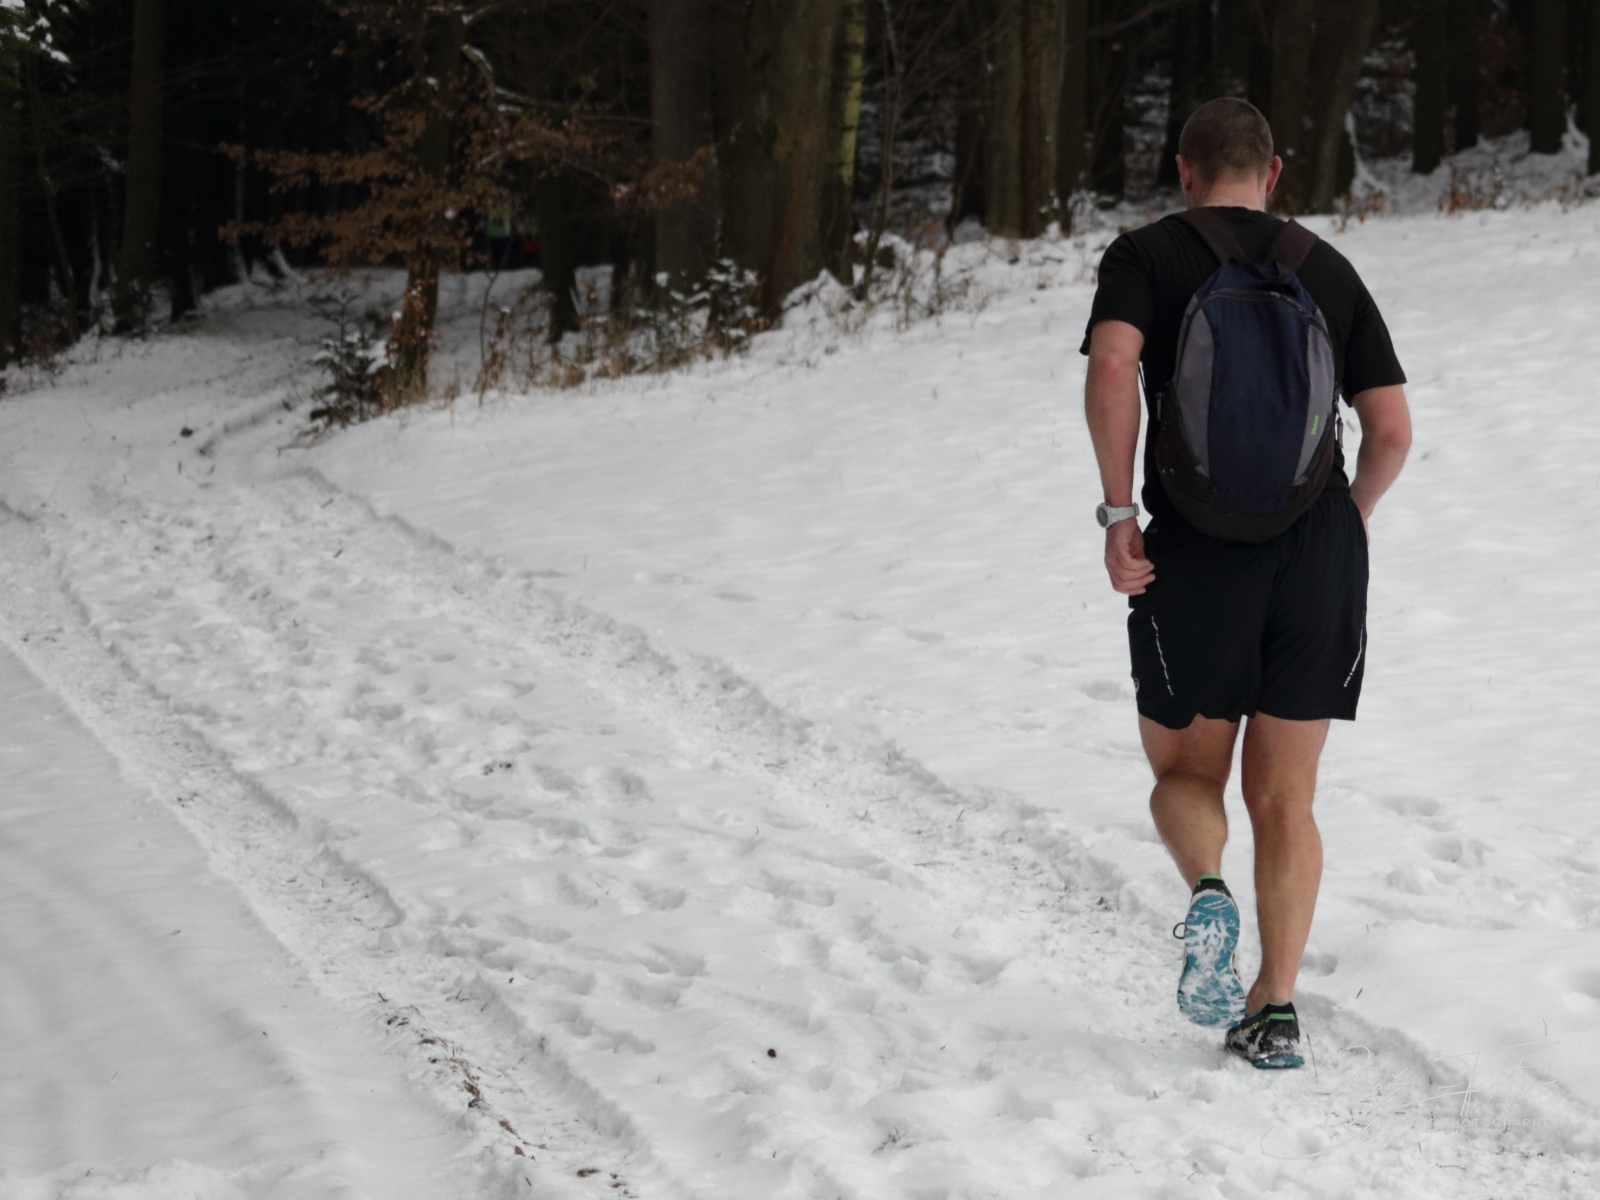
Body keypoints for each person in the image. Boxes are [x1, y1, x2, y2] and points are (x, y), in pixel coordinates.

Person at [1080, 97, 1412, 1069]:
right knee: (1286, 798)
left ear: (1183, 171)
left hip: (1195, 550)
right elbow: (1391, 431)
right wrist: (1346, 521)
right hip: (1317, 554)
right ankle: (1273, 1010)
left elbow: (1113, 368)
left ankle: (1209, 891)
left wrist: (1118, 513)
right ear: (1273, 173)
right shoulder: (1326, 267)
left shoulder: (1146, 255)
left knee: (1187, 774)